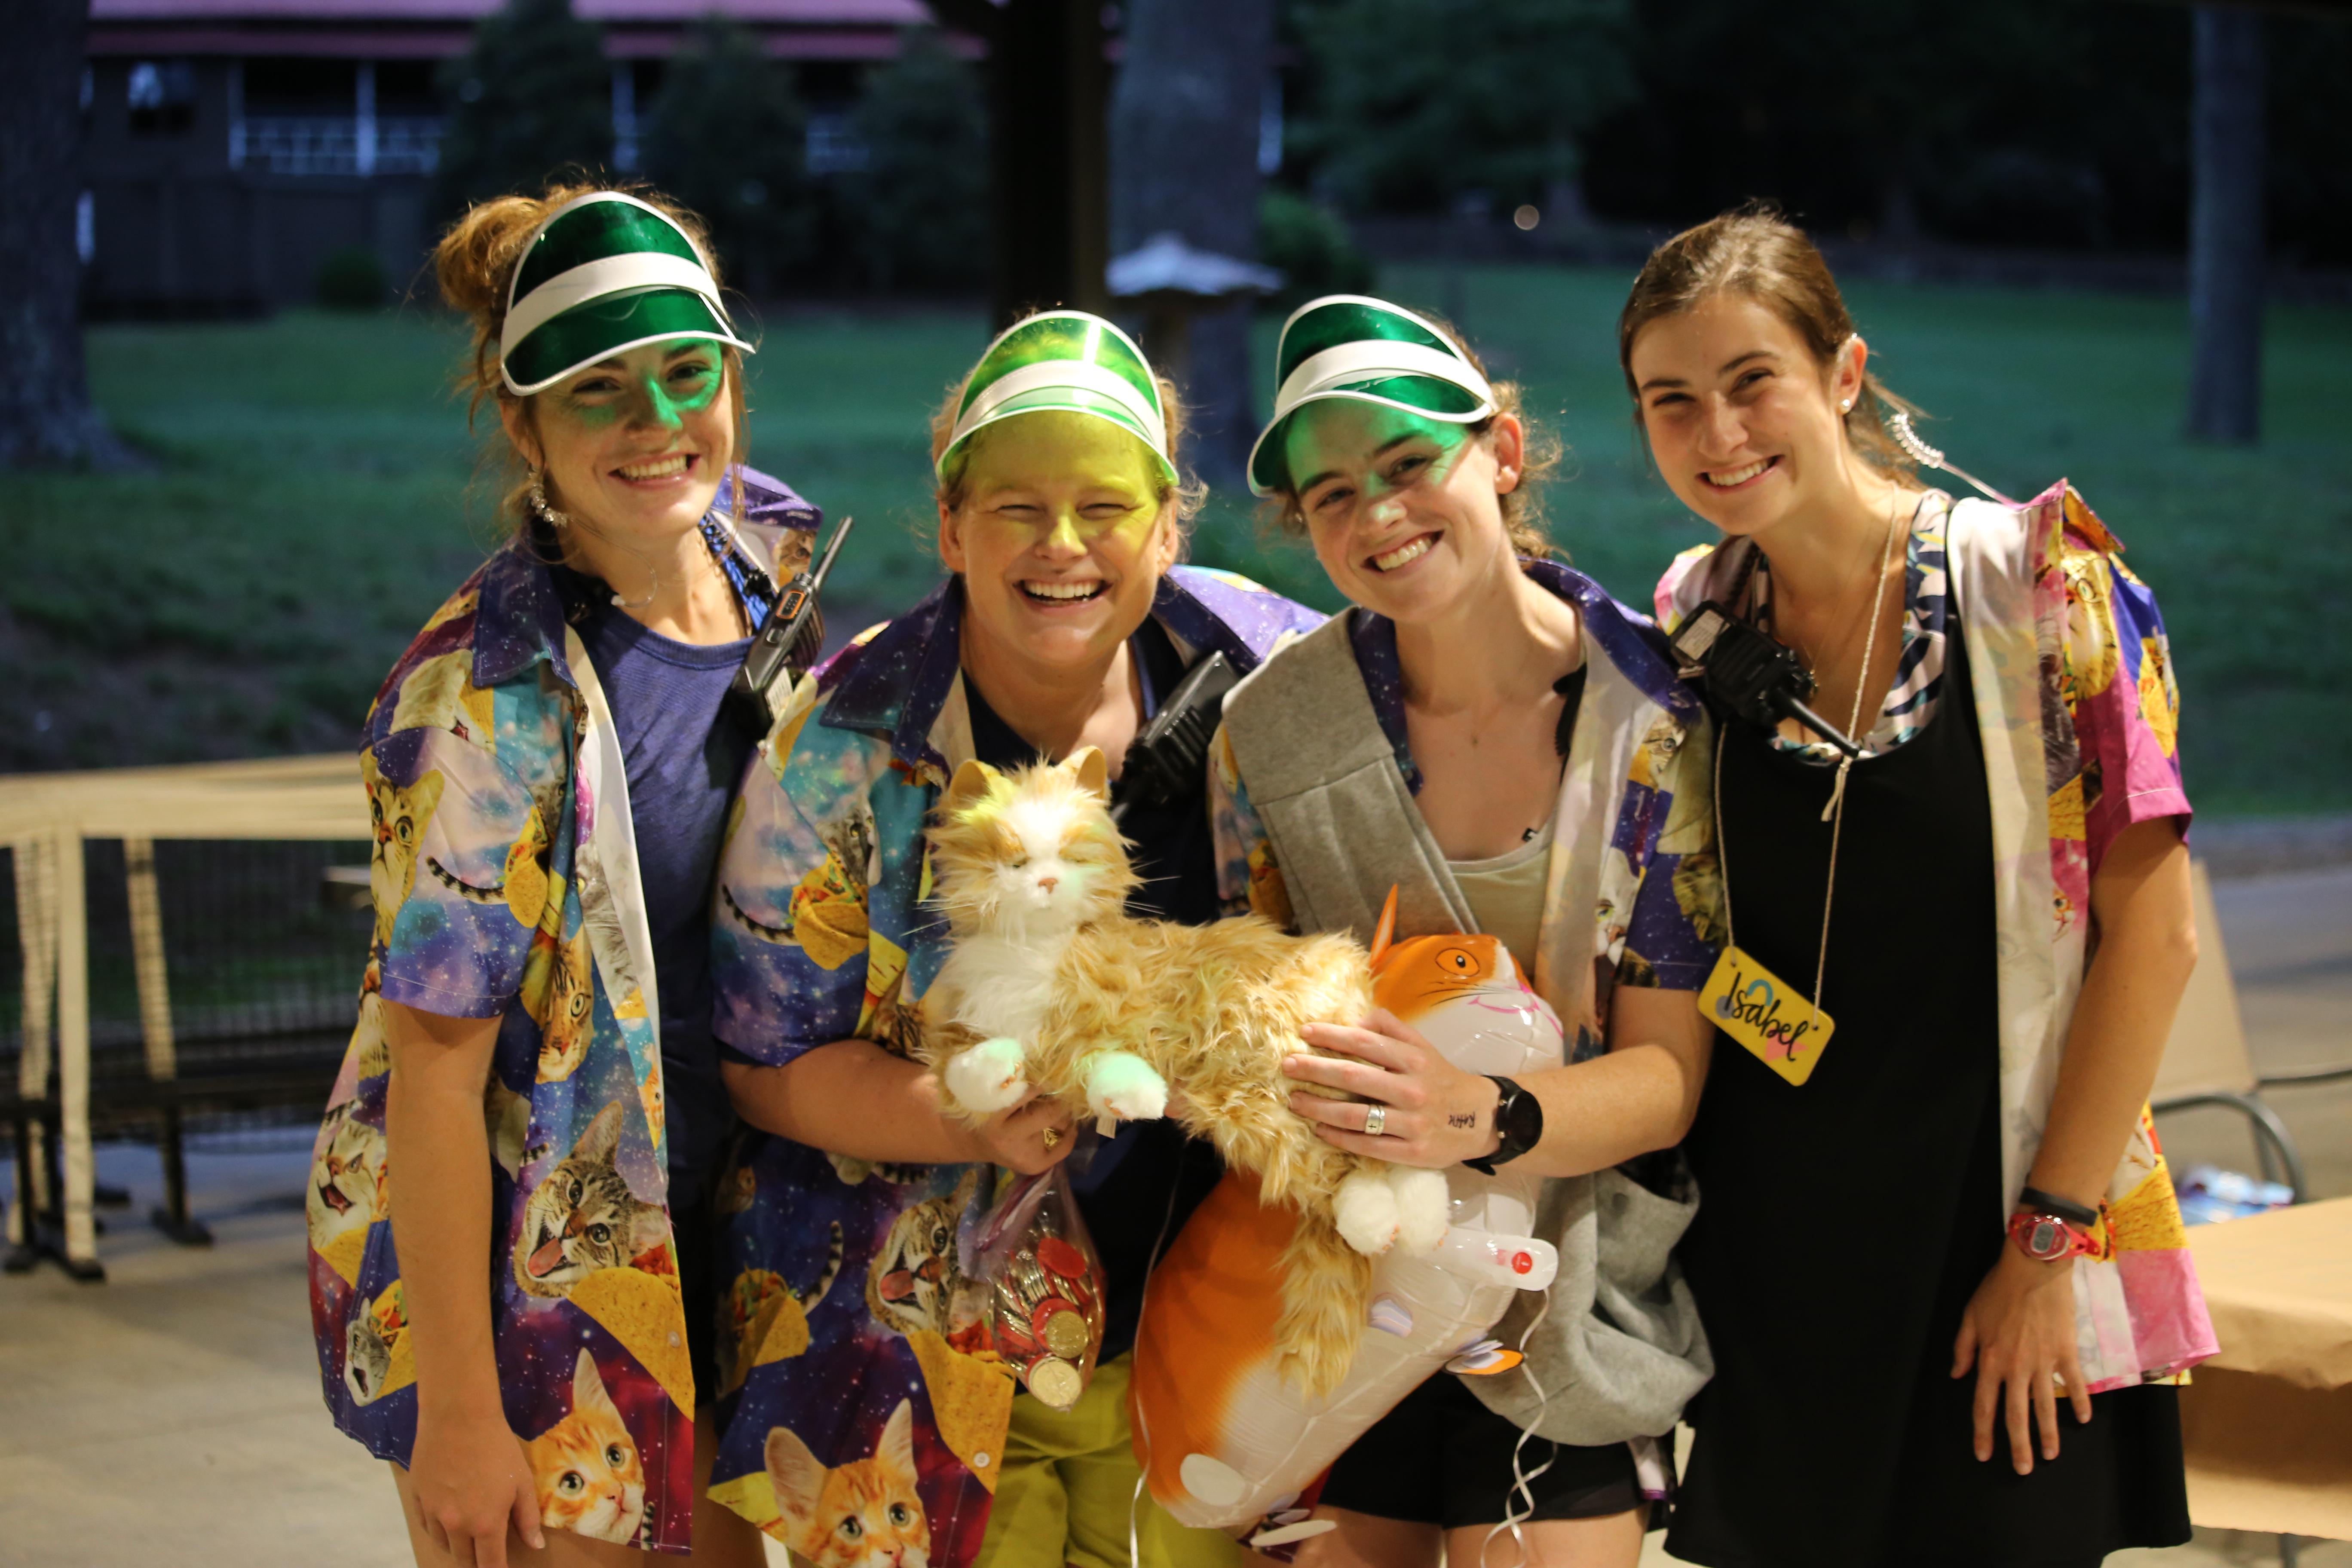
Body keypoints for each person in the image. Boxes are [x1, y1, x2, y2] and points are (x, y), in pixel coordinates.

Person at [1628, 208, 2214, 1567]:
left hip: (1999, 1230)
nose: (1719, 434)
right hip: (1777, 1251)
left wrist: (2050, 1246)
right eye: (1673, 401)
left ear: (1844, 372)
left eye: (1753, 381)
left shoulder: (2048, 591)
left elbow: (2159, 940)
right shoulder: (1692, 616)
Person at [701, 311, 1324, 1568]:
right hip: (911, 1353)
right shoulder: (843, 743)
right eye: (1016, 509)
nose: (1063, 546)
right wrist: (964, 1119)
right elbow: (765, 1064)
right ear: (950, 527)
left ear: (1168, 527)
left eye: (1105, 508)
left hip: (1212, 1325)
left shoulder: (1277, 672)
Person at [304, 183, 806, 1568]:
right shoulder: (480, 702)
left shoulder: (768, 569)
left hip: (722, 1241)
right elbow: (432, 1073)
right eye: (598, 390)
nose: (657, 421)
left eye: (687, 372)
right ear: (524, 429)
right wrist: (460, 1415)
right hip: (526, 1287)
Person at [1208, 294, 1719, 1568]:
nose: (1377, 514)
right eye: (1332, 495)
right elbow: (1237, 1021)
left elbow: (1668, 1081)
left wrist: (1480, 1113)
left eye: (1406, 464)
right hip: (1338, 1297)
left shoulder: (1655, 723)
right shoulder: (1272, 733)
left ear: (1501, 452)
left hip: (1564, 1299)